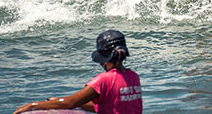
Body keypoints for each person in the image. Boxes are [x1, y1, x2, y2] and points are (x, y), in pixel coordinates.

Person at [13, 30, 142, 114]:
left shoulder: (103, 80)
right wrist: (59, 100)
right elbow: (112, 106)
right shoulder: (134, 77)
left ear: (103, 59)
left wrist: (32, 106)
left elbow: (69, 103)